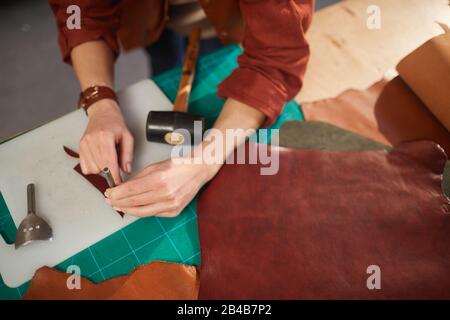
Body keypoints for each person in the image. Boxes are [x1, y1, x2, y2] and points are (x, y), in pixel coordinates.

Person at [48, 0, 314, 218]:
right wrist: (100, 102)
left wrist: (204, 162)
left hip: (228, 14)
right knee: (164, 55)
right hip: (150, 13)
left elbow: (275, 60)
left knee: (214, 48)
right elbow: (79, 12)